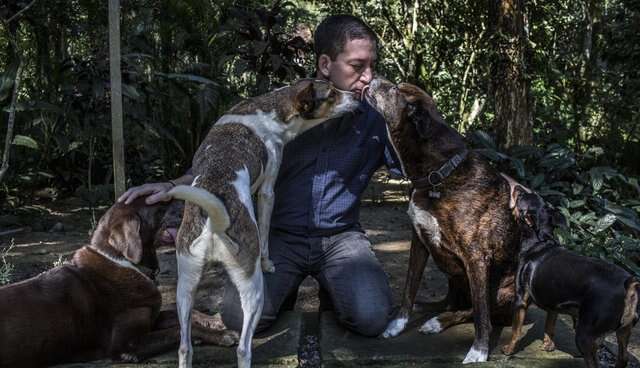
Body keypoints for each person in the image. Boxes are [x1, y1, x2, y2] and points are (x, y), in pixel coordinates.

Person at [119, 14, 403, 337]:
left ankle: (335, 298)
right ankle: (280, 297)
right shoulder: (278, 112)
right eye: (357, 66)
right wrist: (172, 186)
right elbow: (225, 162)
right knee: (238, 319)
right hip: (280, 238)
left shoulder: (375, 119)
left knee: (371, 318)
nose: (368, 77)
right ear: (326, 64)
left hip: (341, 238)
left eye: (372, 65)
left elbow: (419, 167)